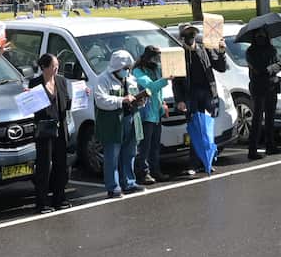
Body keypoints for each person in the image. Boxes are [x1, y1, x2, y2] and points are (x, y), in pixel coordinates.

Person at [172, 24, 228, 167]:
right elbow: (176, 82)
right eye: (188, 34)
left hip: (207, 94)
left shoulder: (204, 49)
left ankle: (208, 161)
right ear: (182, 37)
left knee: (208, 128)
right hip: (190, 96)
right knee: (195, 129)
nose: (191, 37)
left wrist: (222, 52)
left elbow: (220, 67)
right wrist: (179, 100)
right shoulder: (179, 54)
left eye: (193, 34)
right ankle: (194, 163)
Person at [94, 49, 145, 196]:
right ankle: (113, 186)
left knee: (130, 153)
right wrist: (121, 100)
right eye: (125, 68)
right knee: (112, 156)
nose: (127, 71)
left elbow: (135, 96)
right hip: (112, 123)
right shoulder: (102, 79)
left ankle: (129, 182)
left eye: (128, 68)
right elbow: (101, 100)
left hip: (130, 119)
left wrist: (141, 101)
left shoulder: (130, 78)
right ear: (117, 67)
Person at [27, 53, 72, 213]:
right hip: (45, 129)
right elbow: (31, 109)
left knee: (61, 165)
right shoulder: (35, 83)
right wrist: (28, 97)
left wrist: (83, 95)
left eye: (57, 66)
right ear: (44, 68)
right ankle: (42, 202)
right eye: (54, 66)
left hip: (60, 128)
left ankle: (59, 199)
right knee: (44, 166)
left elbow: (67, 103)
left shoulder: (61, 81)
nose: (56, 68)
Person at [133, 46, 178, 181]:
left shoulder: (155, 69)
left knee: (155, 146)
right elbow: (150, 87)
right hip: (146, 113)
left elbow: (159, 92)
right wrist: (166, 80)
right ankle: (143, 172)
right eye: (155, 58)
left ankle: (155, 170)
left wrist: (163, 103)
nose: (157, 61)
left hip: (156, 112)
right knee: (144, 146)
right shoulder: (138, 71)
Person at [245, 33, 281, 159]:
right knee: (257, 119)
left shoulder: (272, 49)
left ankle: (270, 145)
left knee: (270, 118)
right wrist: (267, 69)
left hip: (271, 86)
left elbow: (279, 64)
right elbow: (257, 68)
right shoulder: (250, 51)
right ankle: (253, 149)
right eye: (259, 36)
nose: (261, 38)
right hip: (258, 87)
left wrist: (272, 68)